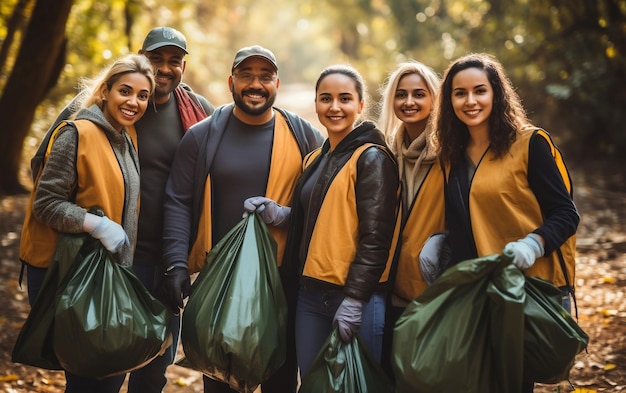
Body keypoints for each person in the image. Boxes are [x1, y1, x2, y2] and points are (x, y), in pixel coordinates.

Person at [22, 26, 214, 392]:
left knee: (153, 371)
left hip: (166, 262)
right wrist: (91, 220)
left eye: (174, 61)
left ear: (184, 68)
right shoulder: (91, 111)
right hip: (109, 262)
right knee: (102, 370)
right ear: (140, 57)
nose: (164, 68)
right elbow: (44, 168)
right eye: (155, 58)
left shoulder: (198, 111)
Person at [161, 45, 324, 393]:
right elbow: (177, 202)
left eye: (264, 76)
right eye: (246, 75)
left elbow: (327, 204)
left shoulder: (304, 136)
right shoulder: (202, 137)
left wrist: (286, 216)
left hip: (283, 284)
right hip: (219, 285)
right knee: (220, 380)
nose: (255, 84)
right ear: (231, 81)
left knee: (280, 380)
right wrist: (176, 263)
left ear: (277, 83)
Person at [428, 52, 579, 392]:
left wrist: (533, 243)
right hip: (479, 288)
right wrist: (441, 242)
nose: (470, 101)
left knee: (513, 381)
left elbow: (566, 214)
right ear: (449, 99)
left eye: (480, 90)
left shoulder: (530, 144)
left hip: (525, 286)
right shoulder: (451, 154)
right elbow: (464, 222)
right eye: (459, 92)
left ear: (496, 94)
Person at [21, 53, 155, 392]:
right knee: (94, 380)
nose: (133, 102)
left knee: (102, 378)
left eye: (142, 95)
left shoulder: (126, 138)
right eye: (125, 91)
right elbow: (46, 204)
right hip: (66, 273)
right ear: (105, 91)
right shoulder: (76, 133)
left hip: (106, 275)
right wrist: (96, 225)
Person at [279, 64, 400, 378]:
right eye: (325, 98)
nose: (334, 107)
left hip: (354, 298)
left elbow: (376, 238)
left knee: (356, 385)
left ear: (360, 105)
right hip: (309, 296)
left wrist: (356, 299)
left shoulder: (371, 157)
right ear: (316, 103)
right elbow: (327, 217)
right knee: (313, 383)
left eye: (344, 99)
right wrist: (282, 215)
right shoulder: (315, 158)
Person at [375, 61, 445, 381]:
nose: (409, 102)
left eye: (419, 94)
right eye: (401, 95)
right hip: (390, 291)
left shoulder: (452, 155)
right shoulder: (386, 152)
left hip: (435, 293)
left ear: (434, 99)